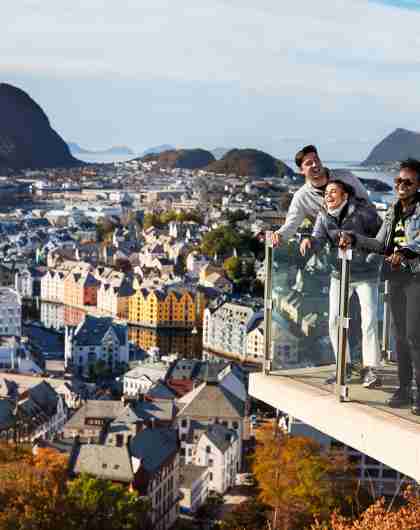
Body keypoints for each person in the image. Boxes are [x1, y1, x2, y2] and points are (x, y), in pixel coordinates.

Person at [339, 159, 420, 413]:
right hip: (395, 276)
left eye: (407, 182)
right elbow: (379, 243)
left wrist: (406, 251)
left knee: (414, 335)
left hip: (417, 276)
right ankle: (405, 388)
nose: (401, 186)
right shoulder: (394, 208)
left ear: (418, 185)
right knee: (399, 335)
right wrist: (354, 239)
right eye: (398, 181)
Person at [300, 180, 383, 387]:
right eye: (326, 192)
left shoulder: (364, 212)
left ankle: (371, 369)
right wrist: (309, 240)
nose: (328, 195)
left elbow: (381, 238)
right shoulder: (324, 214)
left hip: (366, 273)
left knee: (369, 320)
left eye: (333, 191)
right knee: (335, 320)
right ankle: (343, 367)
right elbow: (319, 238)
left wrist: (360, 245)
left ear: (345, 196)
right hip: (340, 273)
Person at [271, 145, 369, 247]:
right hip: (331, 250)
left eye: (316, 160)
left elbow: (367, 204)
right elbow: (291, 225)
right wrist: (279, 235)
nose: (315, 164)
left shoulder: (346, 177)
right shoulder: (302, 197)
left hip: (362, 243)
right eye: (309, 163)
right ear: (301, 170)